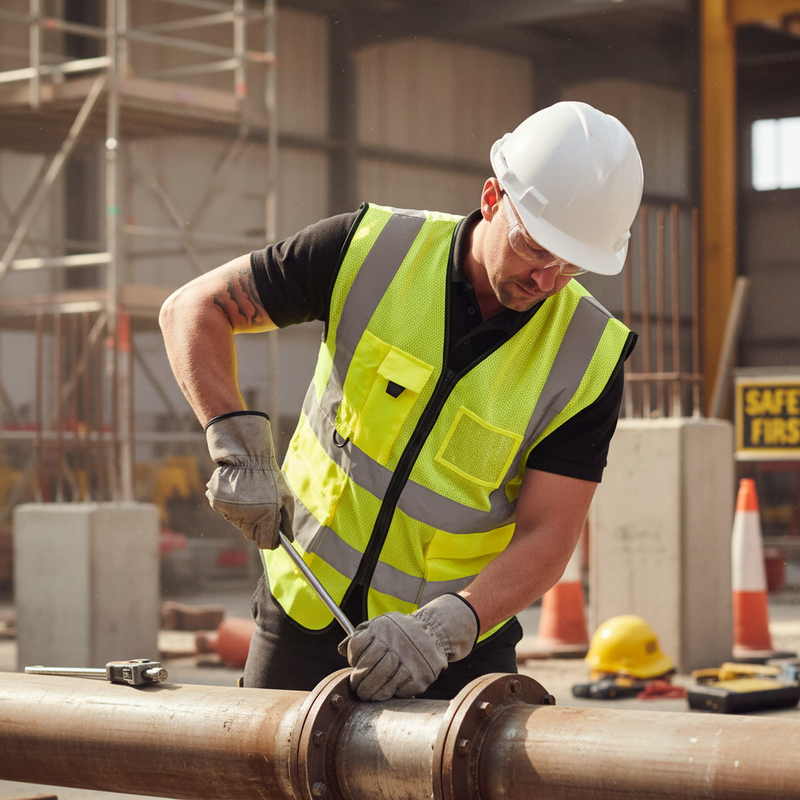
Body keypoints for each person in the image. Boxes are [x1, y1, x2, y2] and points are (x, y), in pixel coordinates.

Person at [159, 100, 643, 701]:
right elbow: (192, 309)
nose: (546, 279)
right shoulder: (369, 250)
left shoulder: (589, 358)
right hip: (304, 611)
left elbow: (548, 534)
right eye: (535, 246)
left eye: (572, 265)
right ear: (492, 198)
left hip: (454, 646)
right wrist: (235, 446)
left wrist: (448, 628)